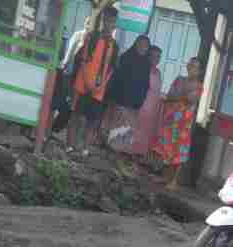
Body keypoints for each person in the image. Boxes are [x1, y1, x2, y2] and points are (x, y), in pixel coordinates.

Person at [67, 5, 119, 155]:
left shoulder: (114, 46)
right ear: (102, 21)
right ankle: (70, 146)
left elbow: (111, 69)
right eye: (107, 20)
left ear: (115, 24)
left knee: (92, 120)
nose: (109, 24)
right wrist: (87, 82)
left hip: (98, 90)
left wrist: (101, 85)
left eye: (112, 21)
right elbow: (82, 61)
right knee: (76, 115)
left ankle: (85, 149)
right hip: (82, 84)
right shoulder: (91, 37)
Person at [154, 57, 204, 190]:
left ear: (199, 71)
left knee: (178, 152)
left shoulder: (199, 86)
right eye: (190, 65)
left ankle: (174, 181)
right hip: (171, 119)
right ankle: (165, 177)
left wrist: (178, 96)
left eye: (194, 66)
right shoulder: (179, 79)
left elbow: (189, 99)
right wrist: (179, 96)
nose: (190, 68)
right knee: (166, 147)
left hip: (184, 123)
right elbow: (171, 95)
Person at [105, 35, 152, 157]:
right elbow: (117, 79)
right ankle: (110, 153)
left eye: (146, 46)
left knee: (127, 130)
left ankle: (120, 154)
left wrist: (140, 100)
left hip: (135, 104)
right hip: (122, 100)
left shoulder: (147, 64)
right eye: (141, 44)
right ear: (135, 44)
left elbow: (146, 84)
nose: (143, 48)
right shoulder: (126, 58)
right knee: (117, 128)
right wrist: (115, 97)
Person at [128, 46, 164, 156]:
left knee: (145, 135)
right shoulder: (142, 69)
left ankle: (136, 158)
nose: (155, 59)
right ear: (148, 56)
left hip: (152, 110)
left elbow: (157, 91)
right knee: (133, 133)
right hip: (141, 106)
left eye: (158, 57)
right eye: (153, 56)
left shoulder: (158, 72)